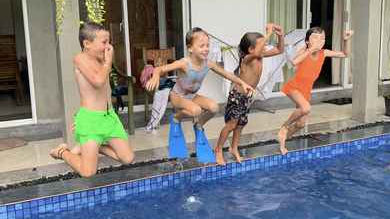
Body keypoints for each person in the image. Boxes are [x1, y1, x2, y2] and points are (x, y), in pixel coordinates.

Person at [145, 27, 254, 162]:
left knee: (214, 107)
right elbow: (160, 69)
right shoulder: (184, 63)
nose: (206, 49)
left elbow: (227, 75)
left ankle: (198, 125)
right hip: (177, 96)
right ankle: (176, 118)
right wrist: (155, 75)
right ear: (190, 48)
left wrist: (242, 83)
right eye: (201, 46)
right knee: (196, 110)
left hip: (192, 96)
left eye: (207, 45)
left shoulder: (208, 63)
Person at [49, 21, 134, 177]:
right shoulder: (80, 59)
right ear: (87, 44)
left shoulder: (101, 59)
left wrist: (106, 61)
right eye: (104, 42)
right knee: (88, 172)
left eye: (109, 42)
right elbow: (97, 81)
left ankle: (96, 146)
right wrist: (108, 61)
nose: (108, 47)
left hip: (109, 118)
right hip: (91, 120)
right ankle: (62, 152)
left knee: (127, 158)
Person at [214, 24, 284, 165]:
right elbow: (257, 53)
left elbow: (280, 49)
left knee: (241, 124)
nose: (265, 46)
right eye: (262, 44)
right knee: (231, 125)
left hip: (247, 97)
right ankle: (218, 149)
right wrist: (268, 34)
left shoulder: (260, 55)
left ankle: (234, 148)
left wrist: (280, 35)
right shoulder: (247, 59)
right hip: (237, 96)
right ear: (251, 49)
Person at [278, 27, 354, 155]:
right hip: (294, 87)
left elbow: (345, 54)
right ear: (307, 41)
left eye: (322, 38)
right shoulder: (304, 50)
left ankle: (282, 140)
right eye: (315, 38)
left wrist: (346, 40)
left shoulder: (324, 53)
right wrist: (309, 50)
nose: (319, 41)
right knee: (306, 108)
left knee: (301, 124)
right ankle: (284, 127)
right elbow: (294, 62)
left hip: (306, 91)